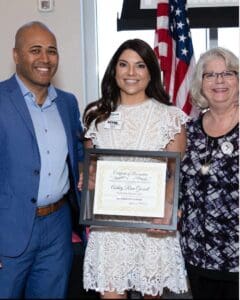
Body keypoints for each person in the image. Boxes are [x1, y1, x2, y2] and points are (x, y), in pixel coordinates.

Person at [79, 38, 189, 299]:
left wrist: (169, 210)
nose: (131, 73)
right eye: (123, 65)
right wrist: (89, 181)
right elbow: (91, 169)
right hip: (109, 229)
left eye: (140, 66)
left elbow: (175, 174)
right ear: (113, 70)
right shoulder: (97, 114)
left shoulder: (170, 117)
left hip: (153, 228)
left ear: (151, 72)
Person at [0, 21, 84, 298]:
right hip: (8, 232)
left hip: (57, 230)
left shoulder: (68, 103)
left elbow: (80, 157)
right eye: (35, 50)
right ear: (16, 55)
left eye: (51, 51)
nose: (45, 59)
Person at [179, 47, 239, 299]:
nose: (219, 81)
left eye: (227, 73)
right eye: (210, 75)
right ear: (200, 84)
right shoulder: (188, 131)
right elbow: (176, 183)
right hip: (197, 253)